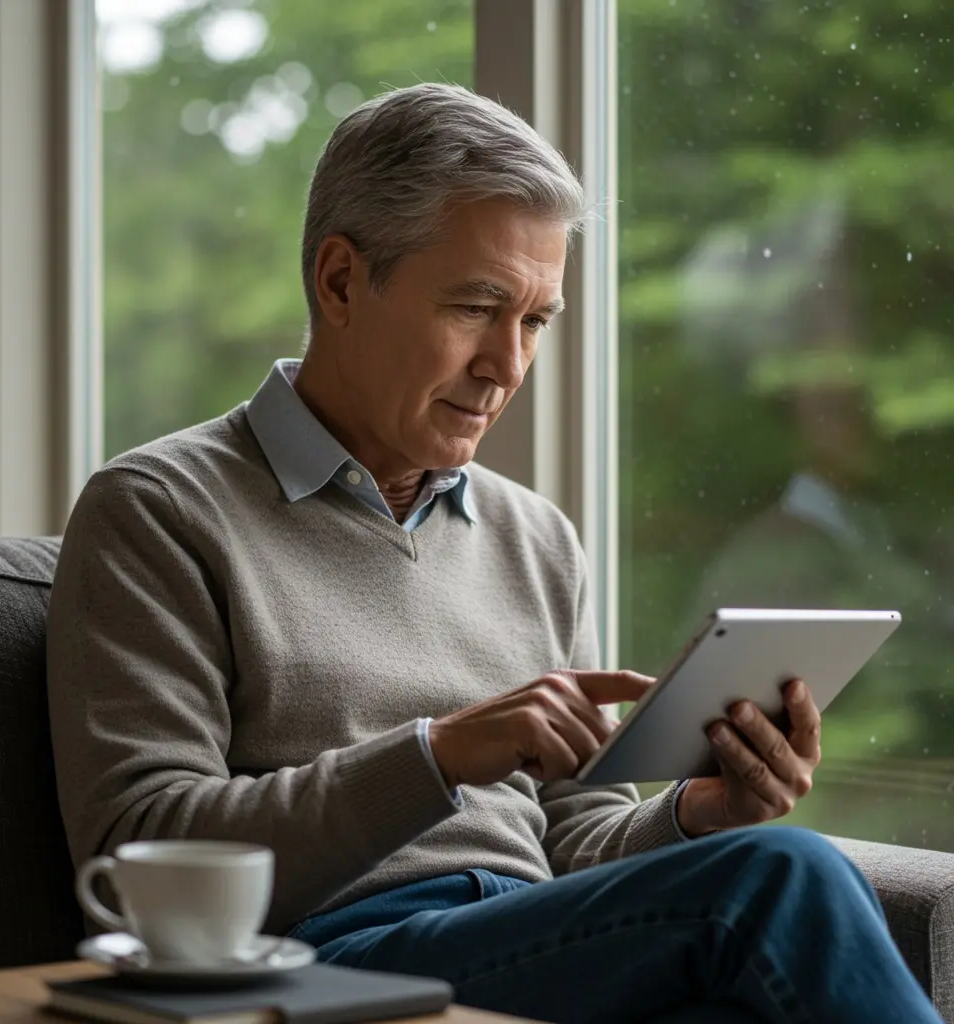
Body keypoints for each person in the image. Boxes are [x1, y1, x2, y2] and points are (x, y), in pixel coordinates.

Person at [46, 83, 942, 1024]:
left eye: (535, 321)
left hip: (532, 949)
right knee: (784, 875)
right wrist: (439, 754)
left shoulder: (537, 538)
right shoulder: (159, 509)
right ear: (341, 281)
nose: (507, 365)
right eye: (476, 307)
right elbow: (135, 845)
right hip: (325, 962)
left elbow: (575, 835)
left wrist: (697, 815)